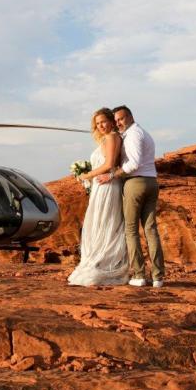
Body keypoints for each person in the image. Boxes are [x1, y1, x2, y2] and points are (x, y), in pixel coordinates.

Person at [99, 105, 165, 287]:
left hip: (136, 183)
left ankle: (139, 275)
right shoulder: (143, 133)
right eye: (116, 120)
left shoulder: (134, 134)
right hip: (152, 182)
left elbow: (134, 163)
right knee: (150, 229)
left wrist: (111, 175)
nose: (119, 123)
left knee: (131, 230)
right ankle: (158, 277)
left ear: (130, 117)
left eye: (121, 119)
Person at [67, 107, 130, 286]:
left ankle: (103, 264)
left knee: (104, 223)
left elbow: (109, 164)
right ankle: (101, 262)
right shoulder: (110, 138)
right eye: (97, 123)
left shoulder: (111, 137)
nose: (101, 125)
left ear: (111, 121)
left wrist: (86, 175)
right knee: (103, 223)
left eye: (103, 121)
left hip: (106, 185)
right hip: (102, 185)